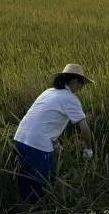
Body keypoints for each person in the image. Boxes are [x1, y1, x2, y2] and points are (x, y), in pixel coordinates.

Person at [13, 64, 94, 202]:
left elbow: (44, 120)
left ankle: (23, 213)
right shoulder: (70, 99)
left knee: (26, 182)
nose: (81, 88)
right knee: (43, 185)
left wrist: (55, 142)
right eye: (82, 84)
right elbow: (84, 128)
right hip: (38, 146)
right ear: (74, 81)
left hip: (19, 140)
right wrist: (88, 148)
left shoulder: (48, 92)